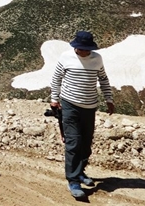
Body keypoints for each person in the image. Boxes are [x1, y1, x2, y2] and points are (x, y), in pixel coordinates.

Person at [50, 31, 114, 200]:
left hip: (89, 106)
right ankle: (73, 180)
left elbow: (103, 79)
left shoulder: (97, 59)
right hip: (70, 105)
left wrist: (109, 99)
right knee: (73, 142)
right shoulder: (66, 58)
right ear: (75, 47)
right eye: (81, 49)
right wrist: (54, 99)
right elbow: (56, 78)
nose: (84, 52)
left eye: (87, 49)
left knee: (86, 143)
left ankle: (79, 172)